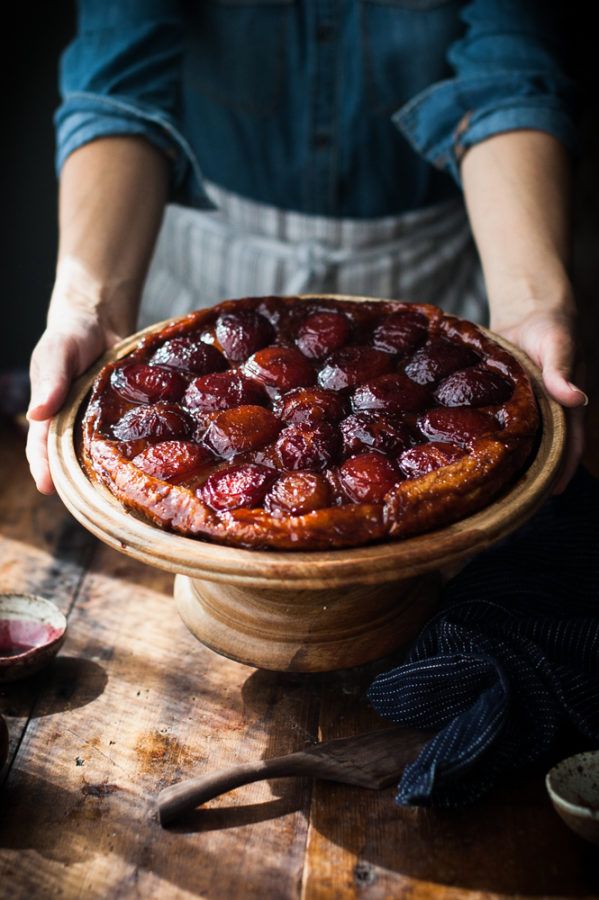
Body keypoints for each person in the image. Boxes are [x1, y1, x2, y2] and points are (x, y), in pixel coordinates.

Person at [26, 0, 587, 495]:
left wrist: (530, 304)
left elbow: (510, 78)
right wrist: (87, 305)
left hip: (424, 265)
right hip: (211, 250)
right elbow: (116, 84)